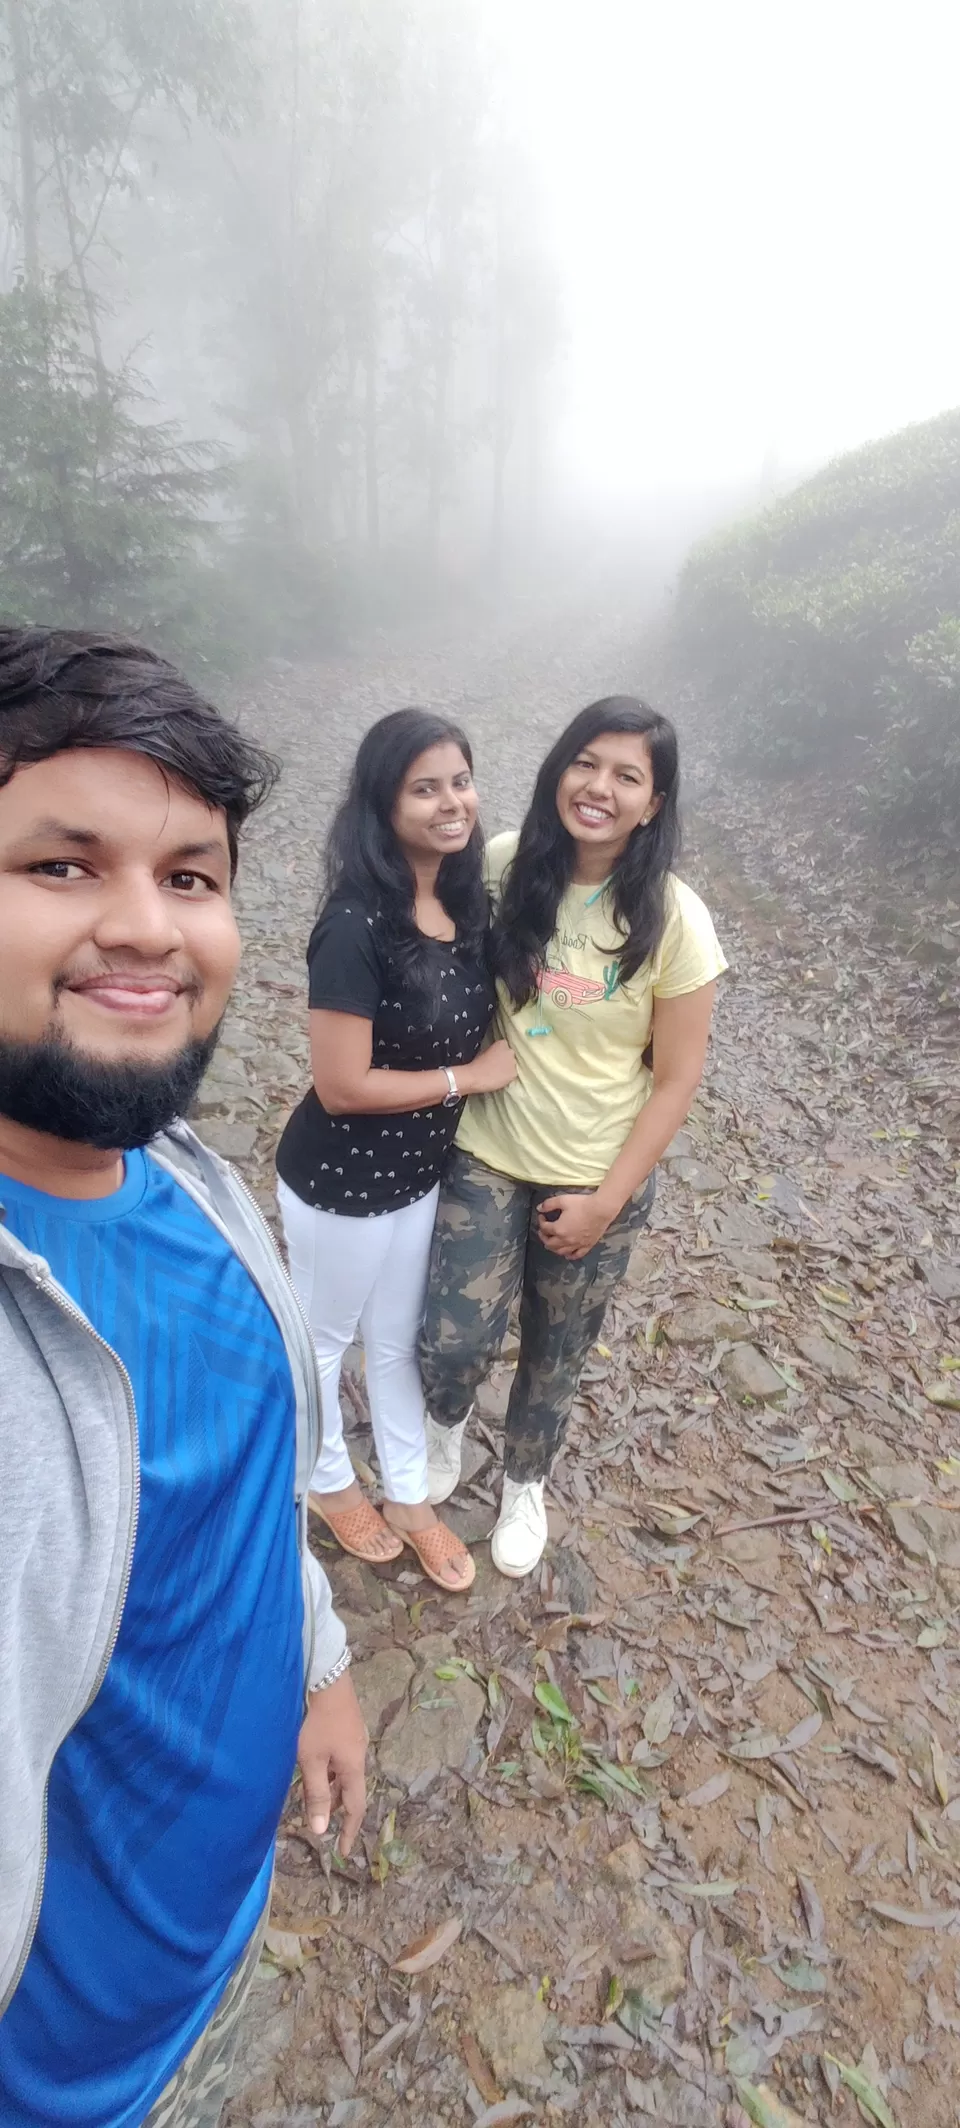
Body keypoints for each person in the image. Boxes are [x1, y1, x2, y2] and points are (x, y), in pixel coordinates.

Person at [0, 629, 367, 2128]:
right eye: (62, 866)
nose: (147, 927)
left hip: (207, 1943)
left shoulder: (187, 1178)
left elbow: (250, 1495)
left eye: (191, 875)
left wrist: (320, 1666)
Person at [420, 696, 728, 1579]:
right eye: (585, 763)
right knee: (454, 1337)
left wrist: (606, 1201)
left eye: (628, 776)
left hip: (595, 1173)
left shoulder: (674, 920)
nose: (599, 787)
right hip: (487, 1149)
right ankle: (442, 1435)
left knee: (556, 1352)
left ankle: (525, 1481)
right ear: (560, 767)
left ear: (655, 802)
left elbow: (676, 1079)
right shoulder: (508, 867)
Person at [276, 709, 514, 1594]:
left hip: (416, 1176)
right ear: (383, 803)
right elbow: (341, 1084)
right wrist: (469, 1077)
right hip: (339, 1180)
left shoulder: (461, 901)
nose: (451, 803)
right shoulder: (354, 924)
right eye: (425, 788)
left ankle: (411, 1498)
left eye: (460, 780)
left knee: (397, 1344)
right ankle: (327, 1476)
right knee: (325, 1339)